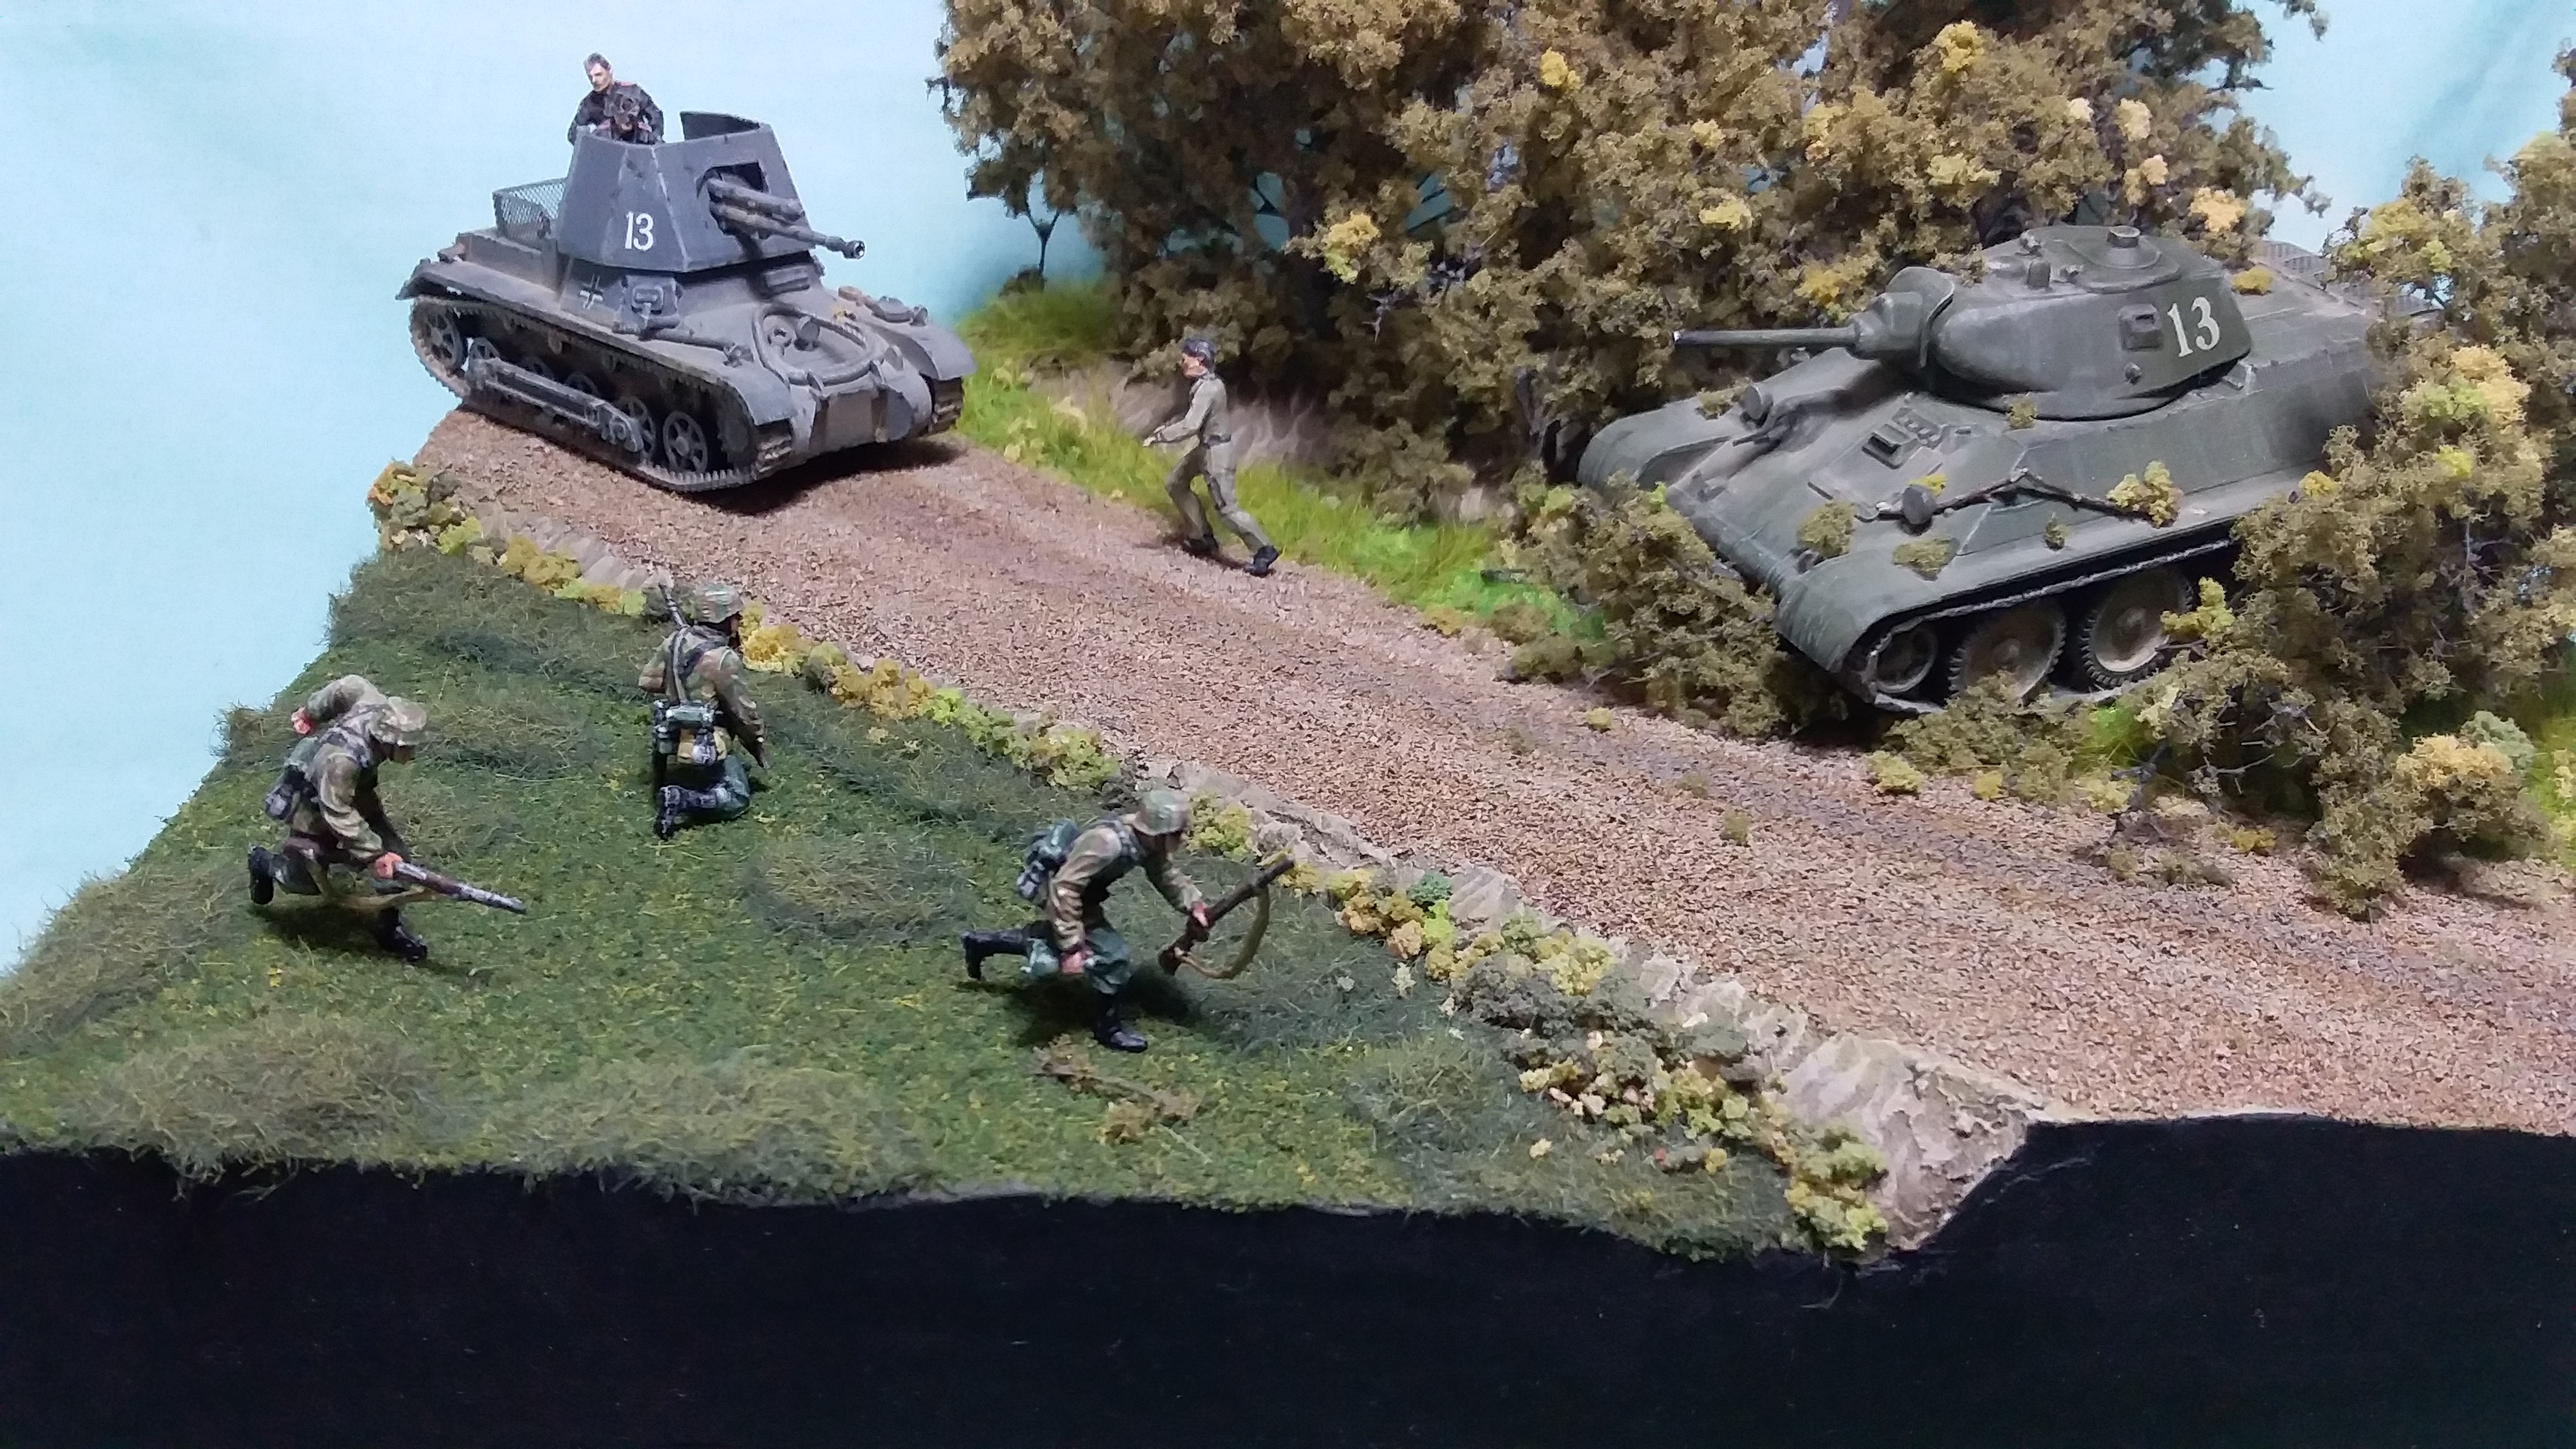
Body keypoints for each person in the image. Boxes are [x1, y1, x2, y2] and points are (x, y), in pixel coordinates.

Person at [961, 789, 1210, 1053]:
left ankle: (980, 943)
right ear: (1156, 832)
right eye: (1175, 833)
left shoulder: (1146, 844)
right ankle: (1107, 1028)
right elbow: (1065, 887)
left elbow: (1165, 874)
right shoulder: (1107, 843)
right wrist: (1071, 944)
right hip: (1061, 893)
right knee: (1113, 956)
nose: (1179, 839)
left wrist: (1193, 904)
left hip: (1078, 894)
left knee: (1054, 940)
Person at [247, 676, 434, 961]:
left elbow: (348, 686)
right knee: (302, 880)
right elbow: (337, 812)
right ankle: (263, 863)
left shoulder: (376, 705)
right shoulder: (341, 762)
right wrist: (374, 854)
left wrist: (312, 711)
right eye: (406, 747)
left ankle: (388, 928)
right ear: (388, 741)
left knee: (398, 859)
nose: (411, 754)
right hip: (314, 803)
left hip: (355, 792)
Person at [640, 580, 768, 840]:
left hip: (671, 729)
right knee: (737, 797)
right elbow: (743, 711)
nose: (739, 621)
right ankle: (682, 799)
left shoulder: (675, 641)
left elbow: (647, 680)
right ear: (724, 619)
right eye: (735, 616)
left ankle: (673, 781)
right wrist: (757, 739)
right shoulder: (723, 659)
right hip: (707, 740)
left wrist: (681, 684)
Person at [1145, 337, 1279, 577]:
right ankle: (1201, 536)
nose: (1182, 363)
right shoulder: (1205, 385)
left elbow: (1190, 425)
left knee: (1227, 509)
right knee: (1175, 482)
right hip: (1205, 448)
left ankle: (1263, 549)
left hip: (1217, 454)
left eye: (1185, 358)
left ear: (1199, 359)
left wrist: (1161, 435)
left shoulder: (1208, 389)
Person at [568, 54, 664, 146]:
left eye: (598, 75)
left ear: (609, 70)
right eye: (590, 77)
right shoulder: (589, 103)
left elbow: (655, 115)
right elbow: (573, 134)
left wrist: (654, 138)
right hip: (609, 151)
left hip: (640, 147)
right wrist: (591, 141)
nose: (594, 81)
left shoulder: (632, 91)